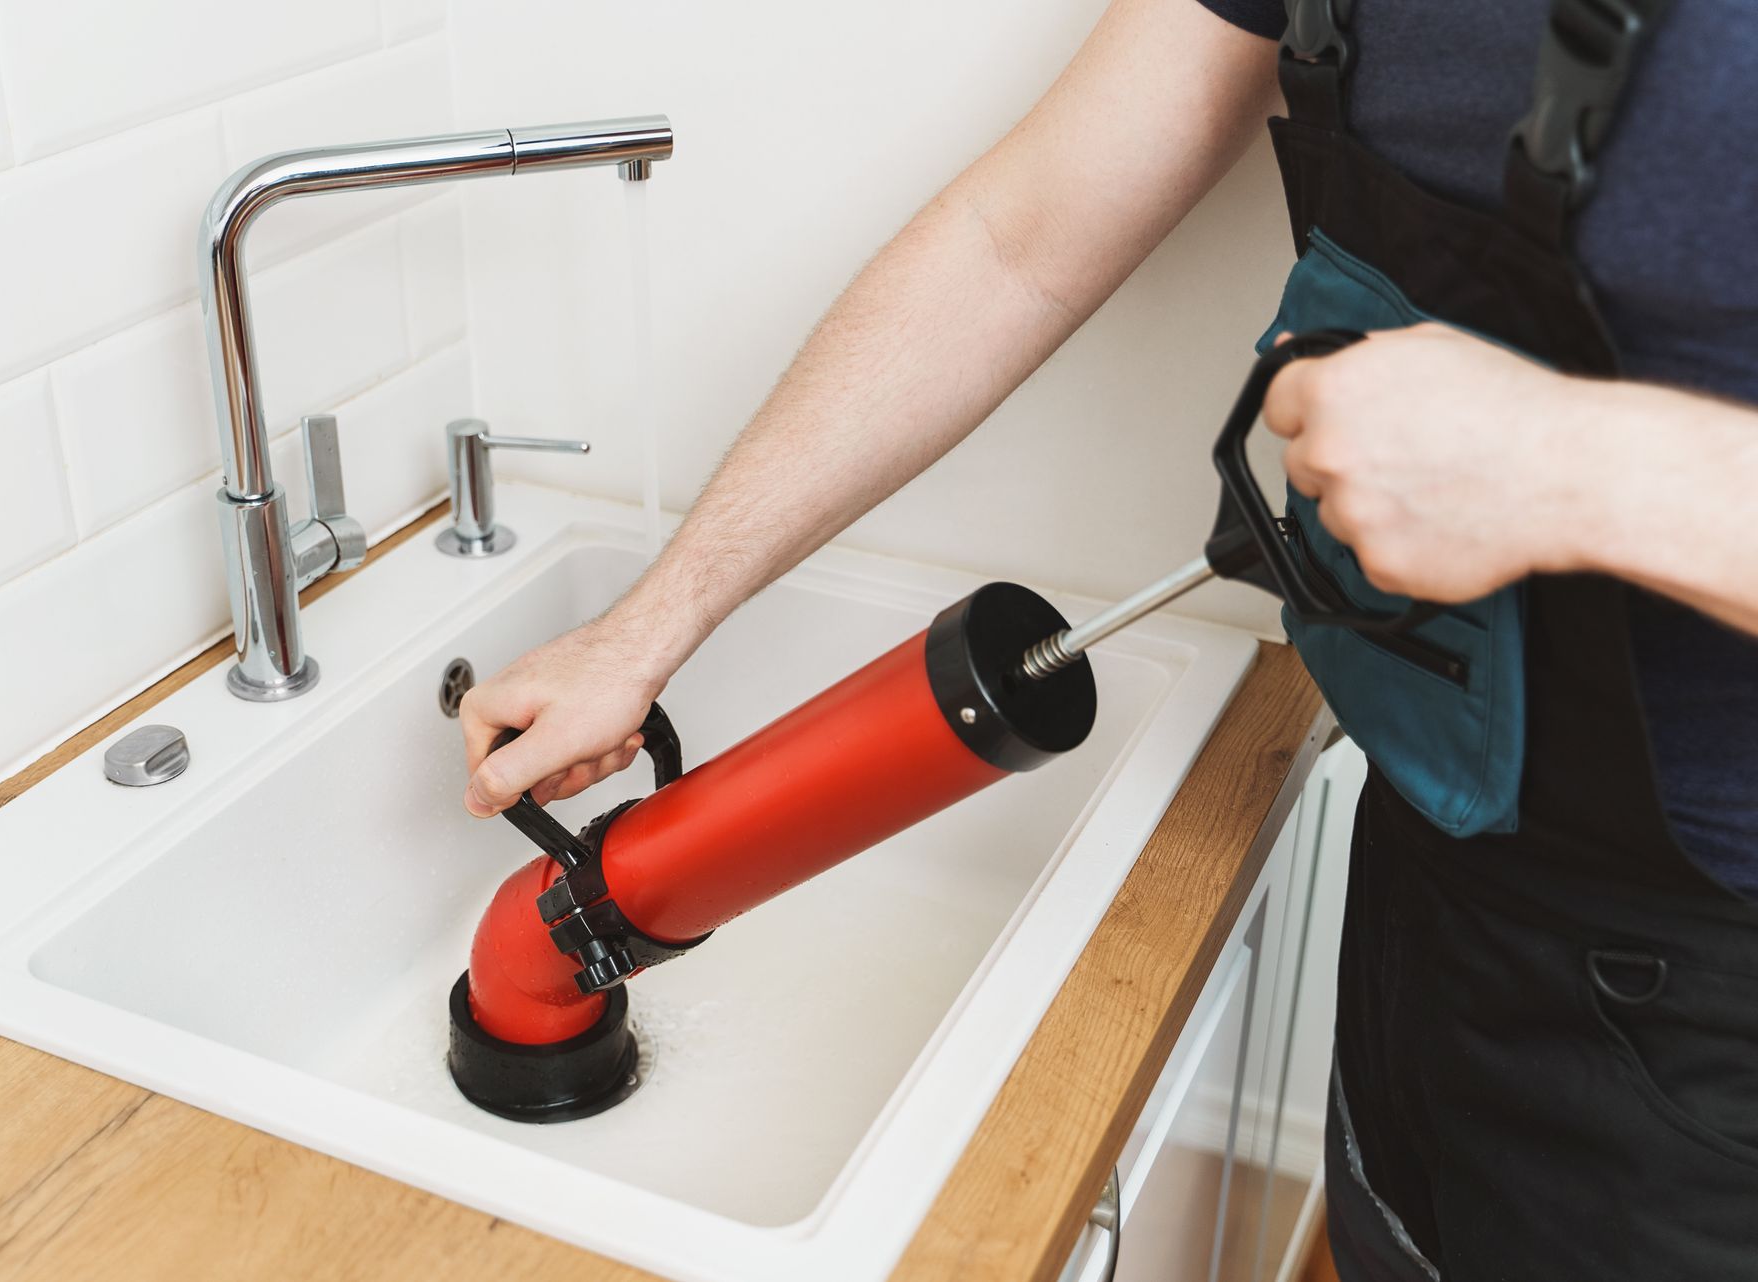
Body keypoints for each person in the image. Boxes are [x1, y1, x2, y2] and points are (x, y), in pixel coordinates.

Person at [458, 1, 1758, 1276]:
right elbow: (1017, 238)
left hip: (1712, 988)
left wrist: (1585, 466)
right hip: (1435, 863)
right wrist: (650, 623)